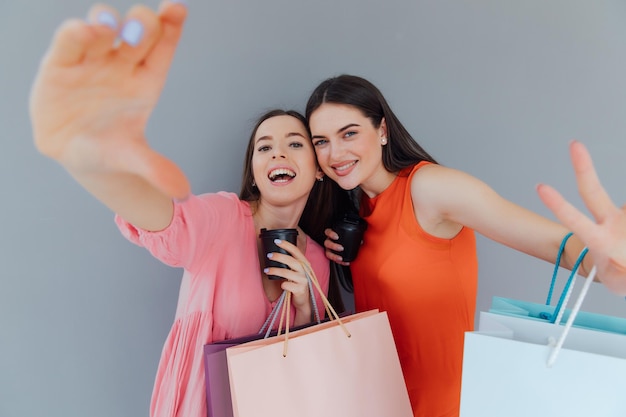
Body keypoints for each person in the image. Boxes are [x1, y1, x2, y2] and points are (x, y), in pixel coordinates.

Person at [28, 2, 349, 417]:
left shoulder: (318, 260)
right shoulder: (222, 219)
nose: (277, 154)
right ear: (253, 172)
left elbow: (310, 366)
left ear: (319, 170)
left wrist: (306, 308)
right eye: (264, 147)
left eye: (294, 143)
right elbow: (169, 224)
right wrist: (100, 165)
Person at [305, 74, 626, 417]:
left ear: (382, 130)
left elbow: (555, 243)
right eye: (321, 141)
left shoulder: (428, 188)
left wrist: (609, 263)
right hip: (382, 403)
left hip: (444, 406)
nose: (335, 153)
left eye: (349, 133)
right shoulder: (358, 214)